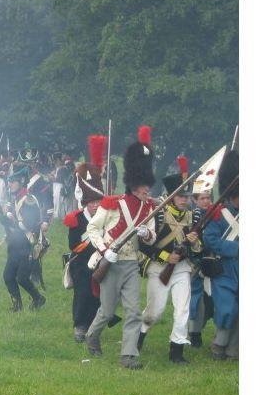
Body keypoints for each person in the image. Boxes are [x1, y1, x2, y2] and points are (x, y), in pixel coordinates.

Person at [84, 126, 157, 369]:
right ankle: (92, 336)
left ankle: (128, 355)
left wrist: (147, 234)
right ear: (134, 184)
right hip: (110, 262)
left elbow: (152, 238)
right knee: (106, 311)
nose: (147, 189)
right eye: (143, 185)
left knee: (134, 312)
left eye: (148, 185)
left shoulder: (150, 209)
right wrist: (105, 250)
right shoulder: (112, 204)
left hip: (131, 264)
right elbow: (92, 229)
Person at [137, 161, 201, 364]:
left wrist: (194, 242)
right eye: (182, 196)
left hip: (181, 268)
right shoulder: (158, 214)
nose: (185, 200)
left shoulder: (192, 216)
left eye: (187, 196)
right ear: (172, 196)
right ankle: (137, 339)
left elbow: (198, 248)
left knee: (182, 309)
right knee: (154, 311)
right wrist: (165, 257)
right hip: (159, 267)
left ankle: (177, 351)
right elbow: (143, 244)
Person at [63, 137, 105, 341]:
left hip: (100, 262)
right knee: (82, 295)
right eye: (92, 202)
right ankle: (80, 326)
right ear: (85, 202)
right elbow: (74, 245)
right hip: (81, 263)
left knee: (97, 296)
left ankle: (92, 326)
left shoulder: (106, 218)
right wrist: (92, 239)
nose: (95, 205)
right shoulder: (76, 219)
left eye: (98, 201)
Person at [203, 150, 239, 361]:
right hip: (224, 270)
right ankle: (219, 345)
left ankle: (234, 350)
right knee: (227, 309)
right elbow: (211, 240)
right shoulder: (219, 213)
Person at [0, 164, 46, 311]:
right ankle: (17, 305)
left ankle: (38, 298)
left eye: (13, 181)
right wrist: (6, 222)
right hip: (15, 244)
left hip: (26, 244)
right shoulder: (15, 199)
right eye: (9, 181)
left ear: (22, 181)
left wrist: (12, 222)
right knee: (8, 276)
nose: (10, 184)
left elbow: (31, 224)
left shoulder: (28, 200)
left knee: (22, 278)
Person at [188, 189, 214, 347]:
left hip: (212, 261)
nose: (206, 201)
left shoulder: (213, 213)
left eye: (208, 198)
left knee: (210, 301)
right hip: (196, 263)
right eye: (202, 198)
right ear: (195, 200)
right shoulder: (195, 215)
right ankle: (194, 333)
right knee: (196, 300)